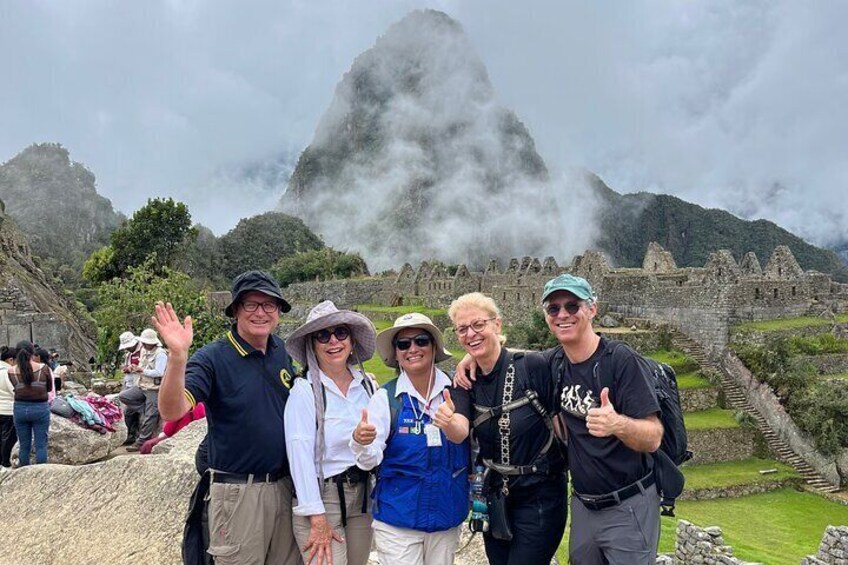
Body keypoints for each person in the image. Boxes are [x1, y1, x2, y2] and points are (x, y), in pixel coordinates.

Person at [153, 270, 302, 565]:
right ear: (235, 310)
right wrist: (178, 357)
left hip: (286, 487)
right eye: (251, 304)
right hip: (238, 493)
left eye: (269, 305)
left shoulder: (282, 351)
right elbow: (172, 410)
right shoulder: (212, 358)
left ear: (278, 312)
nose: (260, 313)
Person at [543, 274, 663, 564]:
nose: (562, 315)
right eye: (553, 309)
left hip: (628, 505)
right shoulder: (555, 362)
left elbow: (654, 436)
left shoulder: (620, 360)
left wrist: (616, 423)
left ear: (592, 309)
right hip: (584, 506)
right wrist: (473, 357)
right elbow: (510, 360)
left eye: (572, 306)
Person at [444, 293, 566, 565]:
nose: (471, 334)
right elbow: (460, 429)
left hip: (540, 496)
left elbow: (568, 357)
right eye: (462, 329)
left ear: (496, 324)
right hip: (494, 496)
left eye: (478, 325)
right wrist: (447, 421)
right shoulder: (465, 380)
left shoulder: (532, 367)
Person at [351, 313, 470, 565]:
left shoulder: (458, 390)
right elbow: (369, 460)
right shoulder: (386, 399)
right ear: (395, 354)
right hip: (398, 522)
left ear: (434, 347)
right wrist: (361, 442)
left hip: (445, 518)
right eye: (403, 344)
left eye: (421, 341)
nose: (412, 348)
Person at [284, 300, 378, 565]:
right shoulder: (304, 391)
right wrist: (316, 516)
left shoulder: (367, 386)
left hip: (362, 496)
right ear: (312, 345)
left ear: (350, 340)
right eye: (322, 335)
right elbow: (299, 453)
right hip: (323, 497)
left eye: (340, 333)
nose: (333, 341)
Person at [120, 328, 168, 452]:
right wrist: (134, 368)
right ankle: (147, 409)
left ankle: (141, 441)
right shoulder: (145, 352)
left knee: (151, 415)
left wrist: (142, 370)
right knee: (124, 396)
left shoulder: (160, 354)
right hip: (142, 385)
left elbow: (159, 372)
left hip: (154, 388)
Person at [8, 341, 53, 466]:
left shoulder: (11, 371)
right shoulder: (43, 368)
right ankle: (41, 475)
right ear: (33, 352)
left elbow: (16, 387)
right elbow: (49, 388)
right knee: (41, 445)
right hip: (40, 409)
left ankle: (24, 475)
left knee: (24, 446)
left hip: (20, 409)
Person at [0, 346, 17, 468]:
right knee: (8, 438)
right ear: (11, 360)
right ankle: (5, 462)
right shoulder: (7, 372)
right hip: (8, 409)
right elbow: (14, 391)